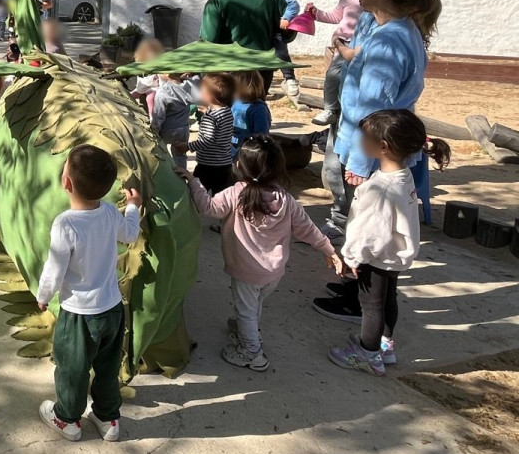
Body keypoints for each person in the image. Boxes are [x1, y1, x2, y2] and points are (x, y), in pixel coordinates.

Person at [313, 0, 441, 321]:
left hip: (373, 150)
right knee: (366, 228)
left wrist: (359, 161)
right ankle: (357, 289)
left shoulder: (389, 40)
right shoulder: (400, 30)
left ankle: (362, 305)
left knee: (369, 233)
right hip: (379, 146)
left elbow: (374, 107)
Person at [184, 135, 341, 371]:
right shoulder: (286, 200)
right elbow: (308, 229)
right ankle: (247, 330)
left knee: (246, 309)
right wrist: (329, 250)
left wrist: (192, 182)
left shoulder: (236, 193)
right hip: (274, 272)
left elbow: (208, 207)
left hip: (247, 271)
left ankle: (252, 353)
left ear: (239, 165)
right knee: (254, 304)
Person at [328, 110, 451, 375]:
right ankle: (385, 344)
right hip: (394, 254)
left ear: (383, 146)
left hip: (376, 256)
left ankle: (368, 354)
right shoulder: (403, 175)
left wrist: (352, 257)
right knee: (387, 298)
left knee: (370, 305)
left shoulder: (381, 189)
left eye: (364, 137)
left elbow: (371, 232)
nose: (360, 141)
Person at [35, 145, 141, 443]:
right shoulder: (109, 211)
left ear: (66, 182)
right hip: (112, 309)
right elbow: (130, 234)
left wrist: (43, 296)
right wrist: (133, 206)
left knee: (72, 369)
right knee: (108, 367)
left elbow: (54, 269)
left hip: (79, 315)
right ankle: (108, 418)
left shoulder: (65, 223)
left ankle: (67, 418)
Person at [307, 0, 392, 127]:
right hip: (345, 42)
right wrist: (317, 14)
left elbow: (357, 55)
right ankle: (331, 108)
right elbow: (336, 16)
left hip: (350, 46)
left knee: (345, 77)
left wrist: (338, 43)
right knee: (334, 76)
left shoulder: (383, 16)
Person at [198, 0, 284, 92]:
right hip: (264, 70)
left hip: (232, 72)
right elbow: (287, 31)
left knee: (233, 107)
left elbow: (208, 42)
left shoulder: (218, 0)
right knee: (258, 105)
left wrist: (203, 76)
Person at [173, 73, 236, 194]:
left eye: (201, 90)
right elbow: (218, 127)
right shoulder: (227, 111)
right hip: (224, 164)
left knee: (197, 192)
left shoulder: (210, 118)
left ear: (211, 96)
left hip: (207, 166)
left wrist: (188, 146)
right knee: (222, 195)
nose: (199, 93)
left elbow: (207, 140)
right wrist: (208, 112)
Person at [252, 0, 300, 97]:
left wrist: (286, 17)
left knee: (281, 52)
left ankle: (289, 78)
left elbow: (293, 4)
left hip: (275, 32)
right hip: (259, 33)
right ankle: (260, 86)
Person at [152, 73, 200, 168]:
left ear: (167, 74)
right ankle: (182, 174)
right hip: (183, 128)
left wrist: (154, 129)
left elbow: (158, 114)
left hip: (166, 130)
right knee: (180, 155)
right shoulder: (188, 88)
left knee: (161, 153)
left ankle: (165, 172)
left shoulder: (163, 91)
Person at [229, 71, 271, 160]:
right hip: (231, 148)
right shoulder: (235, 103)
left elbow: (261, 135)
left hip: (248, 153)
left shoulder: (259, 109)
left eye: (233, 87)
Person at [129, 38, 164, 114]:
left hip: (152, 88)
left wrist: (161, 89)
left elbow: (161, 79)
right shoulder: (140, 65)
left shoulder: (157, 67)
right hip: (140, 88)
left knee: (150, 99)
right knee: (129, 95)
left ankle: (152, 116)